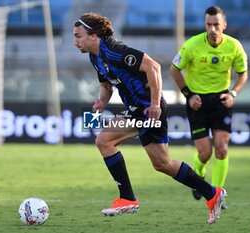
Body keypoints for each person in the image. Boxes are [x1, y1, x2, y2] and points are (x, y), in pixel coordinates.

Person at [73, 12, 226, 224]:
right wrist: (101, 102)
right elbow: (106, 86)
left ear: (94, 35)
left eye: (78, 36)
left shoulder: (116, 50)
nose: (75, 41)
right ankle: (212, 193)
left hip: (147, 109)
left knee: (104, 141)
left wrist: (154, 104)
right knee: (163, 163)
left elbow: (153, 67)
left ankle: (127, 198)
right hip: (139, 108)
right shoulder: (95, 57)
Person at [170, 6, 248, 209]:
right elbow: (174, 69)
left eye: (216, 24)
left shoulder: (234, 46)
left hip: (221, 100)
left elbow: (243, 74)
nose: (212, 29)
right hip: (198, 103)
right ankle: (200, 171)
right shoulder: (192, 45)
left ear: (224, 25)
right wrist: (188, 95)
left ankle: (217, 193)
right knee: (205, 153)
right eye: (208, 25)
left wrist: (233, 94)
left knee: (221, 150)